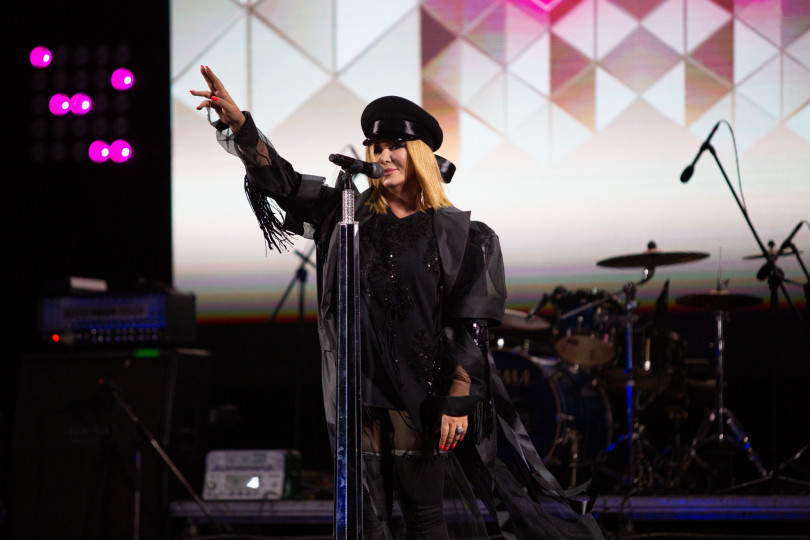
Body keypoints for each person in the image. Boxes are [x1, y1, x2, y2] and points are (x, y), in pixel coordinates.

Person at [192, 65, 604, 540]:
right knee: (368, 519)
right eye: (376, 147)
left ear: (420, 154)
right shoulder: (344, 213)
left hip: (421, 392)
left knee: (423, 516)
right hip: (361, 389)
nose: (383, 156)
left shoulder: (462, 235)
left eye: (395, 146)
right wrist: (242, 127)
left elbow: (469, 327)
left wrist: (457, 398)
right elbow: (282, 182)